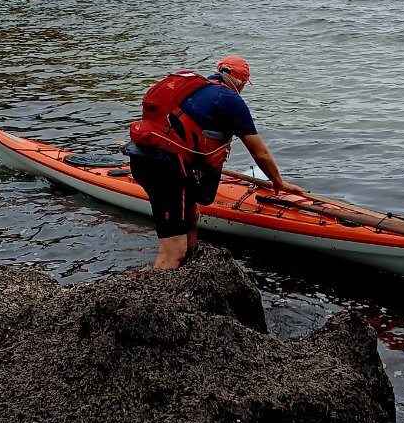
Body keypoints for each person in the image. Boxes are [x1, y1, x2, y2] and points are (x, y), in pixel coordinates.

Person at [127, 54, 305, 270]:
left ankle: (189, 263)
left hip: (144, 157)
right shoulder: (229, 100)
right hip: (164, 167)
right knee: (173, 248)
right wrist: (279, 183)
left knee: (190, 208)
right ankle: (157, 295)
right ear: (240, 82)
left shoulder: (193, 88)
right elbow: (261, 154)